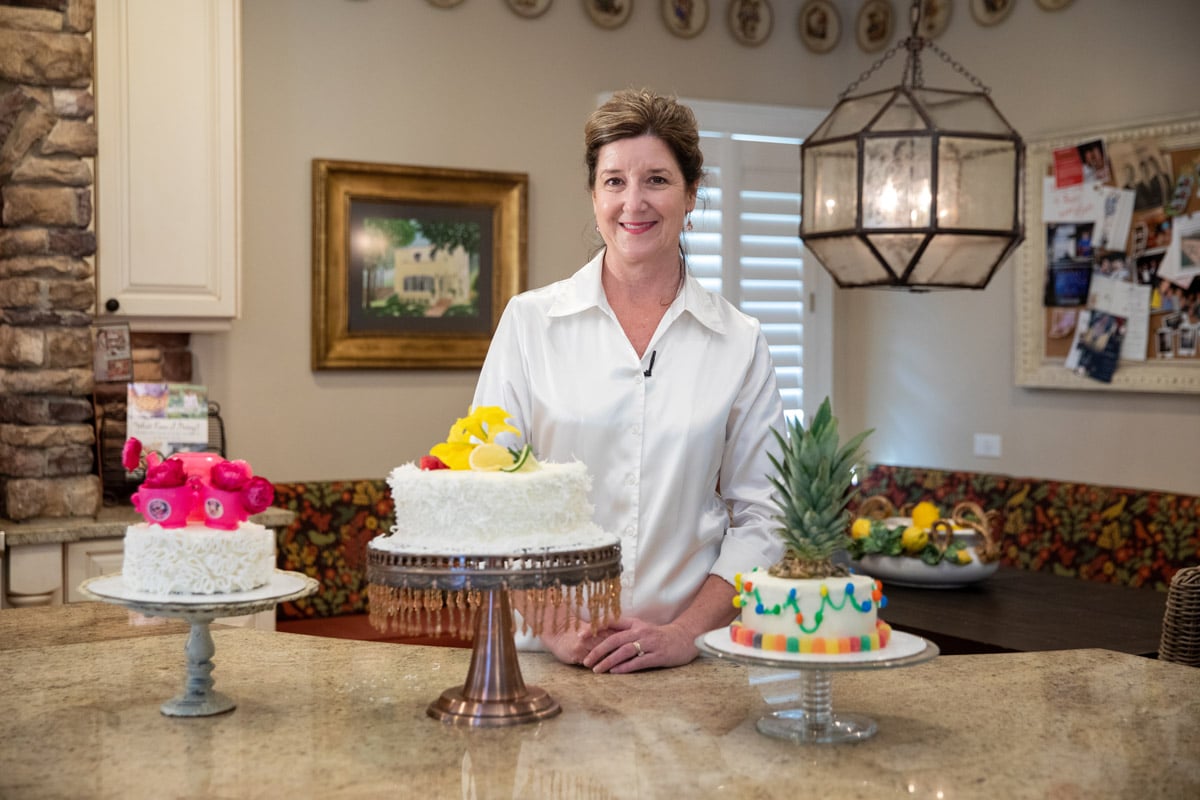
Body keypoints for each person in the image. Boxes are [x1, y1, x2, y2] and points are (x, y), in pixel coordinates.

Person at [472, 89, 786, 674]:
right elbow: (489, 491)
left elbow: (764, 517)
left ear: (692, 194)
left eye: (657, 180)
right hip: (546, 663)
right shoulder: (530, 324)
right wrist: (557, 627)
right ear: (594, 194)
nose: (633, 202)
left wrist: (685, 634)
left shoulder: (740, 342)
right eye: (614, 181)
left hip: (693, 665)